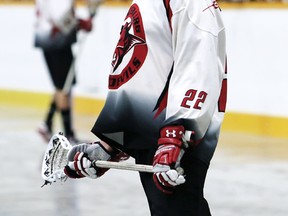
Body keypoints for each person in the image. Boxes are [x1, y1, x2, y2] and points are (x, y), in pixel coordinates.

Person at [64, 0, 227, 215]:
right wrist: (110, 144)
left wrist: (176, 134)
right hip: (156, 136)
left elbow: (200, 64)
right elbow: (141, 76)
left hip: (175, 134)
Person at [34, 0, 94, 143]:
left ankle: (47, 124)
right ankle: (68, 135)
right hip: (56, 41)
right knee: (64, 88)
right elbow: (60, 18)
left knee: (62, 85)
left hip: (48, 39)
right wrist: (81, 23)